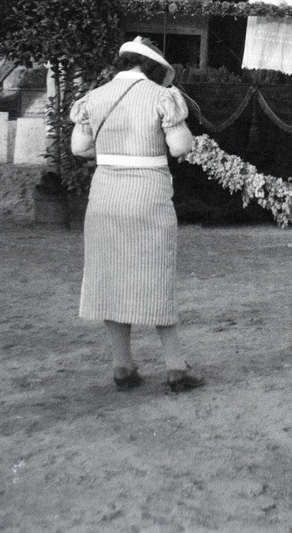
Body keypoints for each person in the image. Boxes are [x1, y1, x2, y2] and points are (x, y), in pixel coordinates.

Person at [71, 38, 201, 393]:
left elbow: (79, 148)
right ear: (153, 67)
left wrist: (112, 152)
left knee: (109, 277)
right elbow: (180, 146)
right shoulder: (161, 96)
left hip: (105, 196)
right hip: (147, 196)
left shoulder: (93, 98)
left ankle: (122, 366)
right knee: (156, 275)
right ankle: (175, 367)